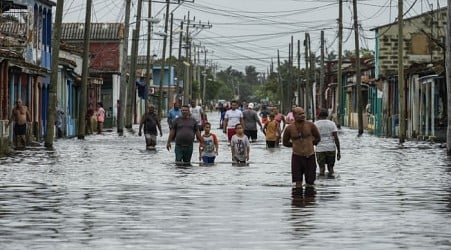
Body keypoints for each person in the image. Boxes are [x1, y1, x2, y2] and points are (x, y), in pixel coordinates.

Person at [282, 107, 321, 189]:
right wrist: (295, 145)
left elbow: (318, 138)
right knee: (298, 182)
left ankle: (309, 200)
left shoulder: (310, 125)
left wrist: (310, 143)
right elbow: (284, 142)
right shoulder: (289, 128)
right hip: (297, 156)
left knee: (310, 183)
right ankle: (298, 200)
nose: (302, 115)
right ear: (294, 115)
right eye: (300, 114)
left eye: (303, 113)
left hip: (310, 156)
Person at [314, 108, 341, 176]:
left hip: (320, 149)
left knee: (321, 169)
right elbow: (336, 138)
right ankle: (331, 183)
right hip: (331, 148)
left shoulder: (315, 124)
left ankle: (322, 182)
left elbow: (312, 138)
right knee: (331, 169)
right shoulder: (332, 124)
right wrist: (339, 152)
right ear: (327, 115)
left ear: (319, 115)